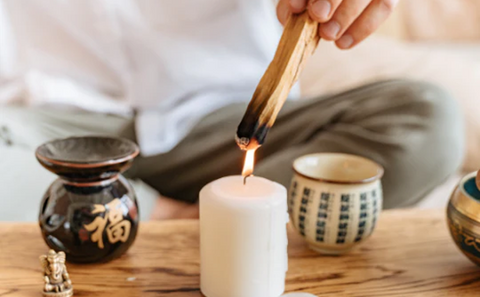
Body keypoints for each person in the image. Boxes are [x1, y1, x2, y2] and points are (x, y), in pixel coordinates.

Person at [0, 0, 464, 221]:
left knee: (428, 120)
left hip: (225, 109)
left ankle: (190, 219)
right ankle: (175, 219)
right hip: (49, 122)